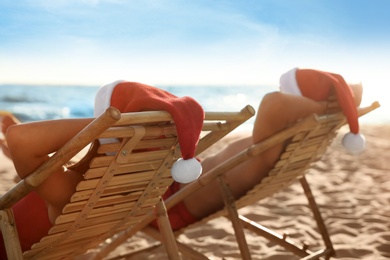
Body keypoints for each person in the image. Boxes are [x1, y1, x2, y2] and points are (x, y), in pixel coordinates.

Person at [0, 68, 363, 257]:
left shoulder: (70, 199)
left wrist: (113, 124)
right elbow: (29, 148)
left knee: (28, 155)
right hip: (155, 189)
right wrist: (335, 105)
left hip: (164, 203)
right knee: (31, 158)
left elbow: (273, 103)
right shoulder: (275, 147)